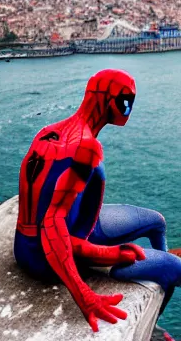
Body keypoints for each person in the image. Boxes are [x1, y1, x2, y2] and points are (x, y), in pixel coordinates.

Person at [14, 69, 181, 332]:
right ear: (106, 100)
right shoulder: (86, 147)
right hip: (46, 257)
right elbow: (50, 228)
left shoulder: (50, 131)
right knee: (176, 268)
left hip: (36, 241)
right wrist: (92, 281)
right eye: (126, 101)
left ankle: (149, 285)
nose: (129, 109)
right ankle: (152, 327)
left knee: (157, 222)